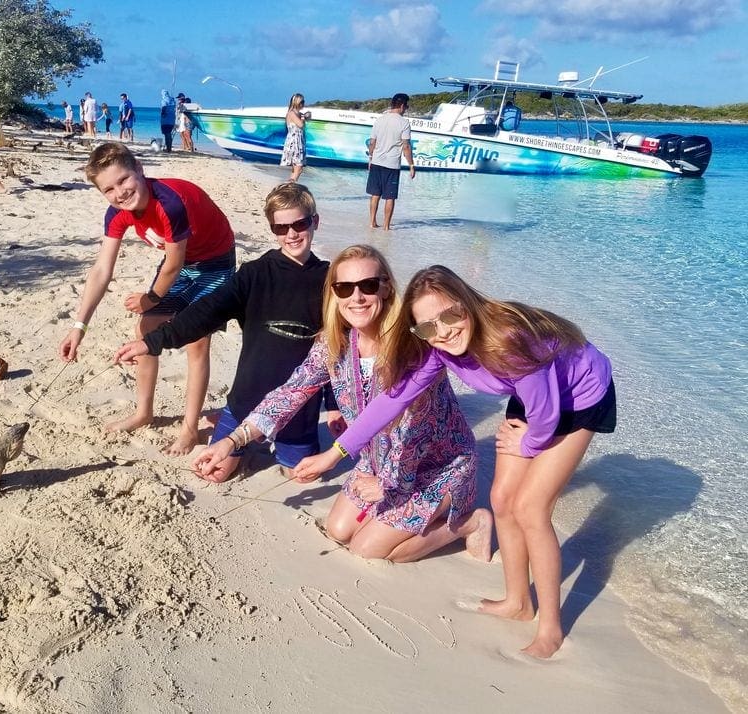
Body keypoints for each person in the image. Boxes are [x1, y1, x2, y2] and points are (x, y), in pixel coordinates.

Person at [295, 265, 616, 658]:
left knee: (531, 508)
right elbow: (392, 400)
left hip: (580, 397)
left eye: (449, 316)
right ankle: (518, 602)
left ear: (467, 303)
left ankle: (551, 627)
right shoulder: (438, 350)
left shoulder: (509, 340)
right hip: (533, 390)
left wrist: (528, 442)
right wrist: (335, 453)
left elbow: (546, 418)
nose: (443, 331)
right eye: (427, 327)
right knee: (501, 501)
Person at [194, 245, 491, 563]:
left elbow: (414, 430)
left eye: (368, 285)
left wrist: (386, 485)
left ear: (387, 287)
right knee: (338, 529)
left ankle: (471, 523)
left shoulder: (413, 346)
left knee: (368, 549)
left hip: (434, 465)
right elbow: (290, 393)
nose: (357, 297)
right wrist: (232, 440)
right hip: (376, 461)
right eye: (344, 287)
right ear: (334, 293)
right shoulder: (333, 344)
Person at [115, 183, 339, 482]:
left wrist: (335, 408)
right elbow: (204, 313)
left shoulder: (332, 282)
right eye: (281, 227)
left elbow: (339, 354)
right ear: (272, 228)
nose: (291, 234)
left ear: (315, 222)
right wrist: (152, 342)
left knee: (300, 476)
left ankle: (276, 442)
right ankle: (230, 424)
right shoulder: (253, 274)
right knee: (213, 473)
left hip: (299, 410)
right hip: (246, 402)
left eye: (300, 223)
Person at [60, 142, 236, 455]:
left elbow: (173, 264)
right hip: (182, 263)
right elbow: (102, 269)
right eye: (109, 189)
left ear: (140, 169)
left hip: (214, 261)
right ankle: (144, 412)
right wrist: (79, 326)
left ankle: (190, 428)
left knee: (197, 341)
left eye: (124, 180)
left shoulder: (169, 203)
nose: (120, 193)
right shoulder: (117, 213)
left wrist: (150, 298)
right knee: (146, 331)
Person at [366, 92, 415, 231]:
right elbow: (406, 146)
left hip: (376, 161)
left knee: (375, 194)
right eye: (406, 106)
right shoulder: (404, 123)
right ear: (401, 105)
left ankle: (372, 222)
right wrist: (411, 165)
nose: (406, 109)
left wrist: (370, 158)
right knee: (390, 197)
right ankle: (386, 226)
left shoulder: (379, 120)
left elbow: (372, 142)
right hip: (392, 164)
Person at [280, 93, 310, 182]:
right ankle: (290, 186)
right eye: (302, 102)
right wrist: (304, 117)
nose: (303, 104)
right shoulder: (292, 113)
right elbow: (300, 124)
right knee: (298, 168)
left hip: (299, 141)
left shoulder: (297, 113)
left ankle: (290, 186)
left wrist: (305, 116)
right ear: (297, 102)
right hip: (294, 142)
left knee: (296, 169)